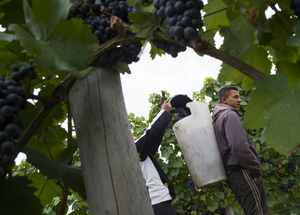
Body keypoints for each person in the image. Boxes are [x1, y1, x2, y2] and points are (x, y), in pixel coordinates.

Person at [213, 86, 269, 215]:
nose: (240, 100)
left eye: (240, 97)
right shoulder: (230, 115)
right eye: (236, 97)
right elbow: (239, 147)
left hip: (233, 174)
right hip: (243, 171)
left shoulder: (217, 119)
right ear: (224, 100)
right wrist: (257, 172)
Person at [133, 99, 177, 215]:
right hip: (158, 204)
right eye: (131, 135)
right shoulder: (133, 151)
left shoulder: (141, 156)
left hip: (158, 204)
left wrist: (164, 119)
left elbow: (153, 140)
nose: (135, 136)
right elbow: (150, 133)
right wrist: (164, 113)